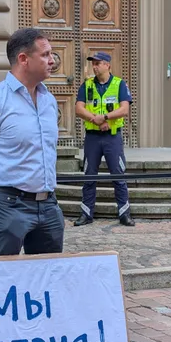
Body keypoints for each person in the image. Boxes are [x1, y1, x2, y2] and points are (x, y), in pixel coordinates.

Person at [0, 28, 64, 256]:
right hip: (7, 205)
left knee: (48, 279)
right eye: (45, 55)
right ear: (23, 59)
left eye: (51, 54)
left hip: (48, 206)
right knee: (3, 280)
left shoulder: (49, 101)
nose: (52, 60)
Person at [73, 52, 134, 227]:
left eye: (98, 63)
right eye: (93, 63)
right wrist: (96, 119)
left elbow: (124, 110)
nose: (94, 66)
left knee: (118, 175)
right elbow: (79, 109)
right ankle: (86, 214)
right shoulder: (87, 85)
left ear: (107, 65)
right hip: (92, 138)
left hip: (112, 138)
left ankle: (124, 214)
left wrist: (105, 117)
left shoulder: (119, 84)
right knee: (89, 176)